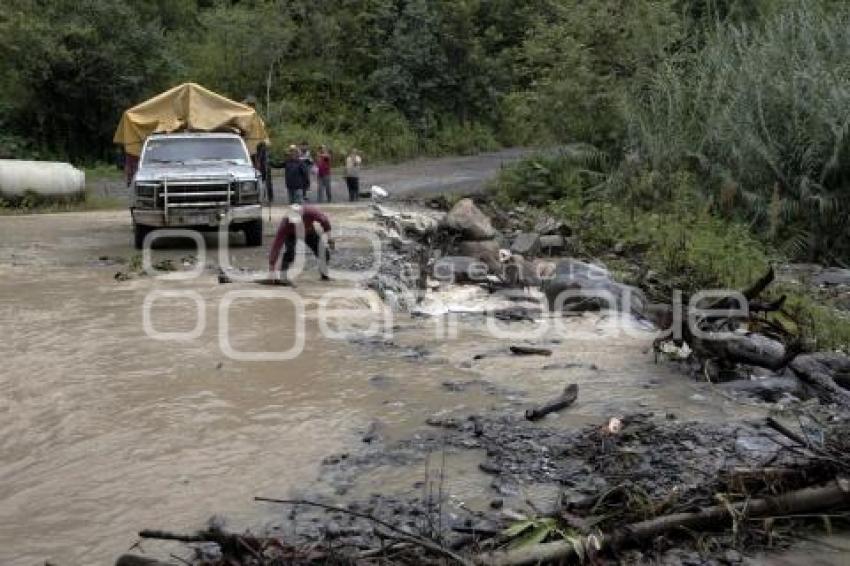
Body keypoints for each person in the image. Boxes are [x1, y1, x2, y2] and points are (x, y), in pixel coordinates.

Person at [268, 204, 335, 284]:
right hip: (291, 234)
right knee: (290, 253)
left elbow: (325, 222)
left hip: (309, 231)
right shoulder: (286, 224)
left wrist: (330, 238)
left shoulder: (310, 211)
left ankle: (324, 274)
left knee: (323, 252)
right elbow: (276, 245)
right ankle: (282, 276)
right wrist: (272, 267)